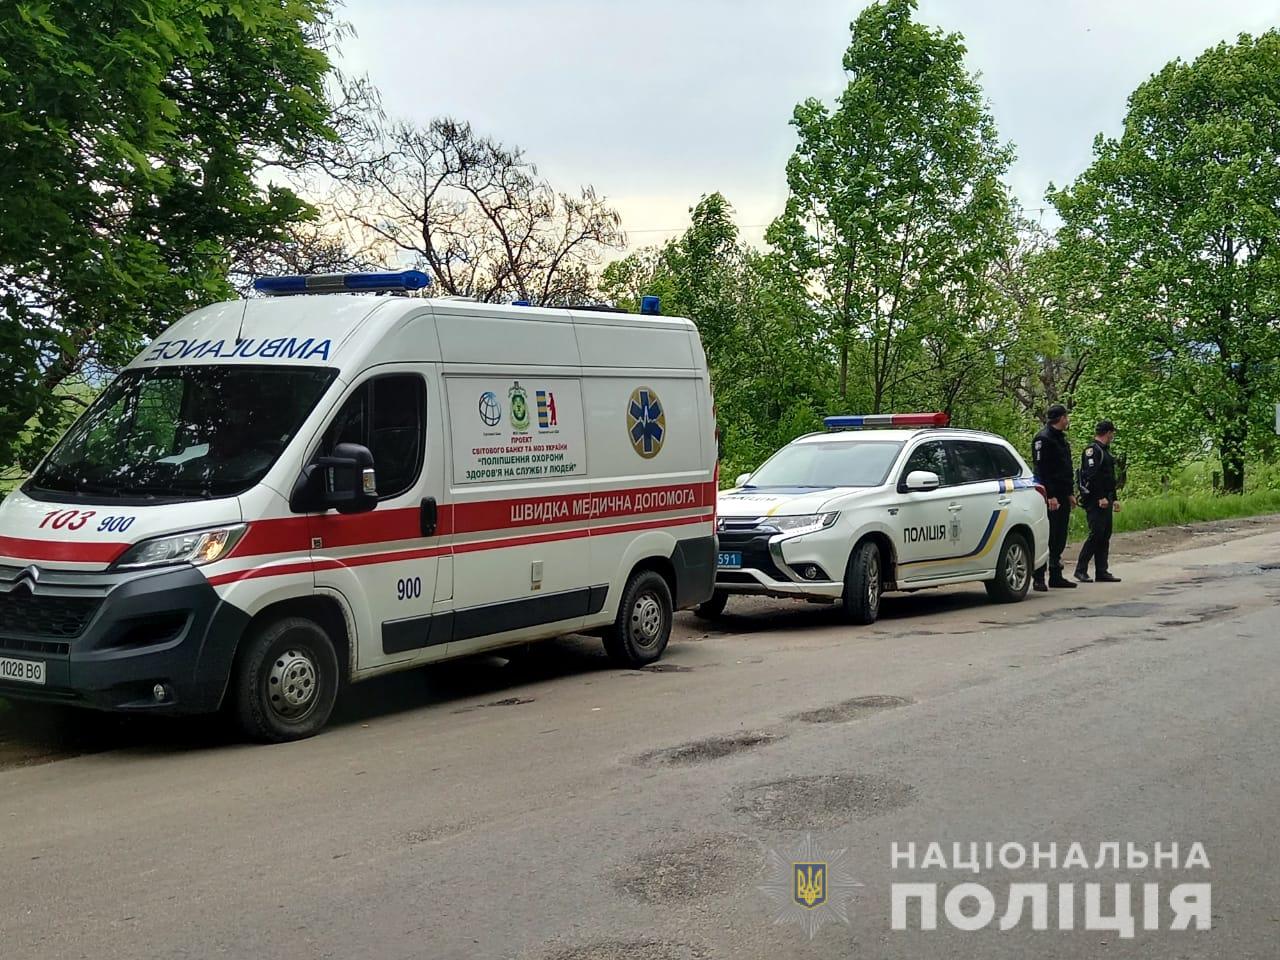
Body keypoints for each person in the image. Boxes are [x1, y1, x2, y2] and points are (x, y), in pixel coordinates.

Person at [1031, 404, 1077, 590]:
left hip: (1062, 494)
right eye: (1066, 417)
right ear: (1060, 418)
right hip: (1050, 496)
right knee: (1047, 536)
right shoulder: (1043, 438)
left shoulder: (1061, 439)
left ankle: (1056, 574)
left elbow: (1065, 469)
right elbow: (1042, 469)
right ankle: (1039, 577)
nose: (1068, 420)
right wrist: (1050, 495)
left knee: (1059, 536)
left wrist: (1069, 493)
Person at [1075, 420, 1122, 583]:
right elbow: (1092, 476)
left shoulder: (1105, 452)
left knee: (1105, 534)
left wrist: (1114, 498)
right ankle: (1080, 569)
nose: (1113, 436)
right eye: (1112, 433)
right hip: (1095, 499)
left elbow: (1109, 478)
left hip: (1106, 498)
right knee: (1096, 534)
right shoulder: (1092, 451)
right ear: (1108, 433)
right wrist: (1100, 497)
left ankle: (1102, 570)